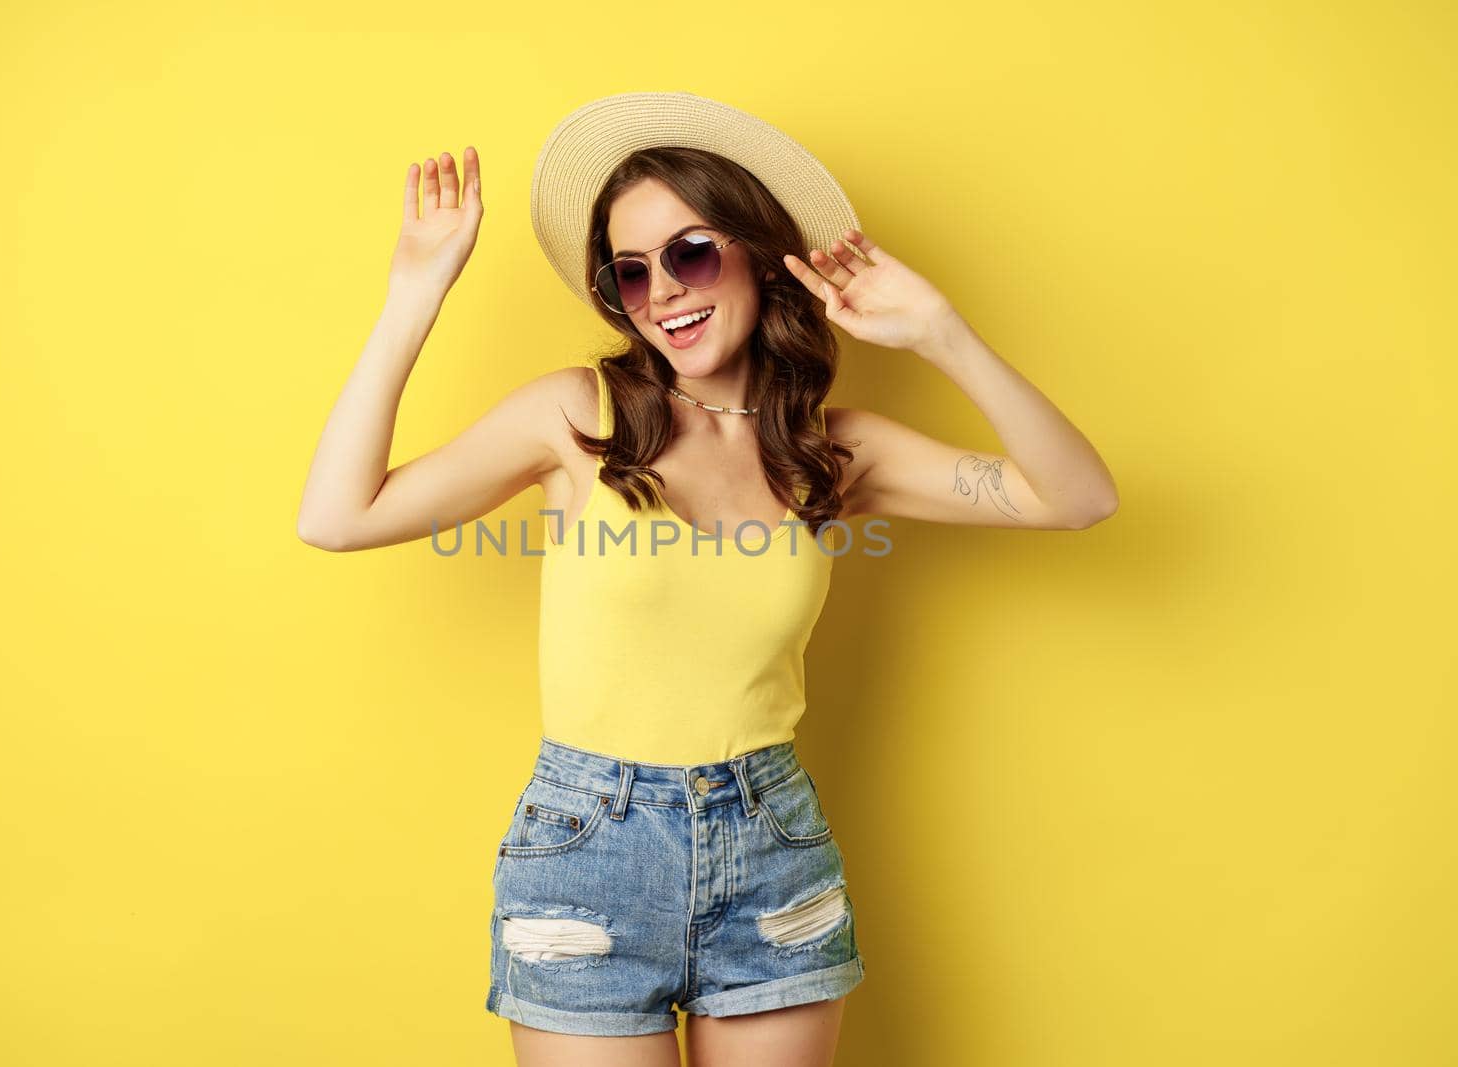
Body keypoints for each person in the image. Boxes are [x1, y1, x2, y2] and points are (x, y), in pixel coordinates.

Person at [297, 91, 1119, 1067]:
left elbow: (1075, 496)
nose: (665, 295)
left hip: (771, 845)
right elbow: (335, 518)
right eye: (630, 274)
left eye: (689, 253)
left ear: (759, 256)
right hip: (588, 850)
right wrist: (413, 293)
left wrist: (942, 333)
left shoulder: (830, 453)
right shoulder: (577, 417)